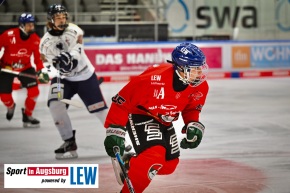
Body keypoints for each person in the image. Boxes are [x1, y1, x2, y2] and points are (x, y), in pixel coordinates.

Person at [104, 42, 209, 193]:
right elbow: (122, 101)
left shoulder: (200, 86)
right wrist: (114, 130)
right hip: (141, 114)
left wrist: (192, 123)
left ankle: (129, 162)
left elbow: (191, 107)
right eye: (195, 69)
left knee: (169, 166)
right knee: (153, 157)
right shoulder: (151, 79)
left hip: (164, 120)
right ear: (181, 68)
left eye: (200, 67)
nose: (200, 73)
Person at [39, 4, 108, 160]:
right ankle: (69, 141)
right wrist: (46, 72)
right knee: (55, 104)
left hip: (85, 76)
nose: (62, 20)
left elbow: (75, 55)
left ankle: (121, 138)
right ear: (50, 20)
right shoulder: (44, 43)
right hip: (62, 79)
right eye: (58, 17)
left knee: (100, 111)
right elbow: (47, 65)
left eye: (64, 17)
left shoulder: (75, 31)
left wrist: (66, 60)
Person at [0, 13, 49, 128]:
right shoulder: (8, 35)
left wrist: (41, 71)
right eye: (29, 25)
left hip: (25, 67)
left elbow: (38, 59)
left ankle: (27, 115)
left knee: (34, 92)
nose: (31, 27)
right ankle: (11, 107)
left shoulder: (36, 40)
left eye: (32, 24)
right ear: (21, 25)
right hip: (6, 68)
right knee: (4, 96)